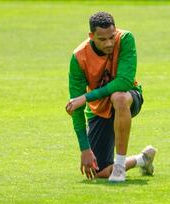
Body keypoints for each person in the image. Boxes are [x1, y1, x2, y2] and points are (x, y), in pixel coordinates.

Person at [65, 12, 157, 182]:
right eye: (102, 39)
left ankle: (120, 167)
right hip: (99, 110)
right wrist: (84, 148)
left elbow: (123, 82)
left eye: (111, 37)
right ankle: (143, 159)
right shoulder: (79, 57)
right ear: (91, 36)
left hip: (129, 98)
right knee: (99, 172)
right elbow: (75, 106)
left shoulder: (126, 39)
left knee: (119, 97)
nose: (109, 43)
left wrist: (86, 97)